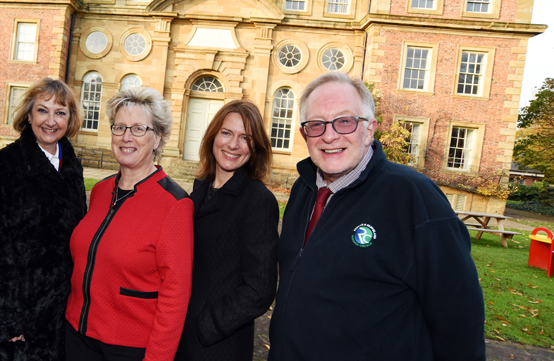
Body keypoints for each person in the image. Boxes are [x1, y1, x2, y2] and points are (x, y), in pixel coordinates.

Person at [268, 72, 485, 361]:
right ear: (304, 134)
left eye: (345, 121)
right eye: (317, 124)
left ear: (369, 130)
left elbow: (459, 321)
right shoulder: (303, 188)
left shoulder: (413, 198)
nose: (330, 135)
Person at [64, 87, 194, 361]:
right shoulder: (100, 191)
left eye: (138, 129)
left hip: (127, 348)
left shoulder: (174, 204)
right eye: (120, 127)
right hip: (76, 335)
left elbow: (175, 297)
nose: (126, 137)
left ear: (157, 137)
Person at [0, 78, 87, 360]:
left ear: (70, 118)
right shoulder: (5, 165)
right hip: (14, 321)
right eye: (42, 110)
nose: (51, 121)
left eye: (60, 112)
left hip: (58, 315)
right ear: (28, 114)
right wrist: (8, 317)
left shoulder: (71, 166)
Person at [175, 100, 279, 361]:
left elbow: (260, 289)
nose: (233, 145)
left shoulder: (257, 200)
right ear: (213, 136)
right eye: (227, 133)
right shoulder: (201, 188)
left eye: (245, 138)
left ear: (255, 148)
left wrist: (206, 325)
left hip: (218, 345)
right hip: (179, 336)